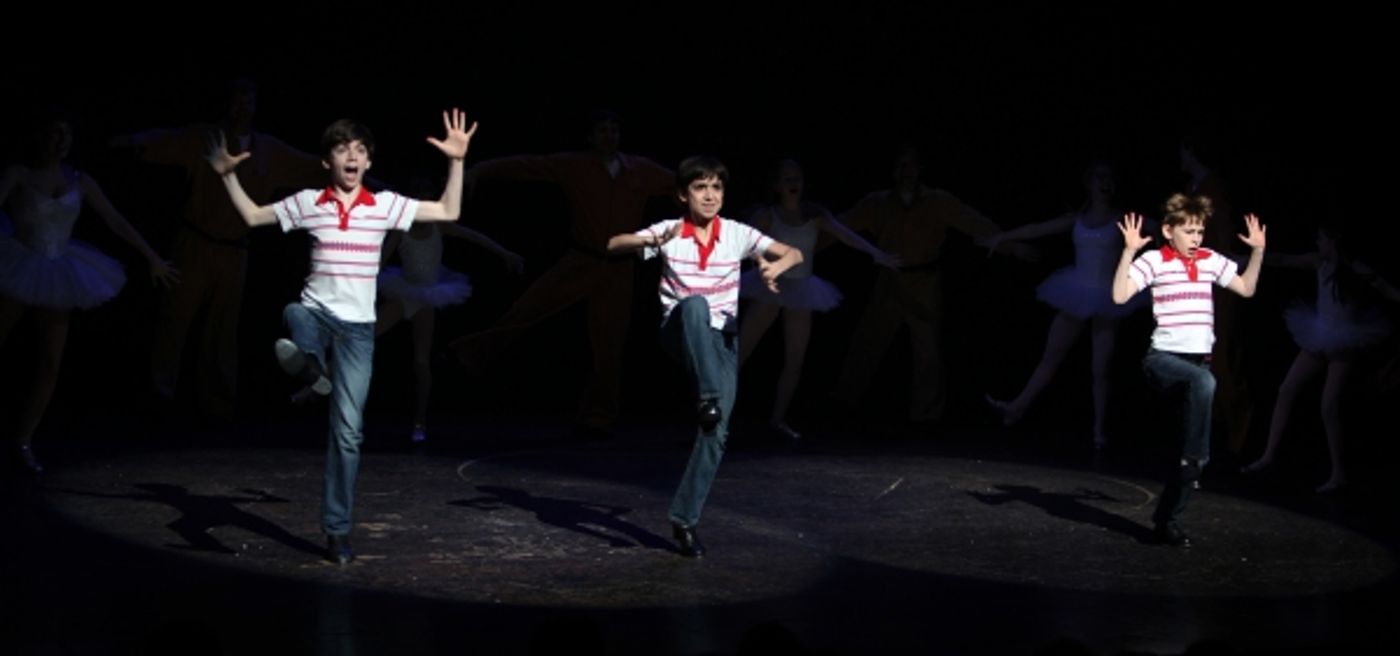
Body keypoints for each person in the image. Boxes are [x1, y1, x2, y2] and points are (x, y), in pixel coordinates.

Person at [203, 108, 477, 564]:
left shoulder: (386, 205)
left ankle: (337, 529)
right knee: (296, 312)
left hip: (357, 331)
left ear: (369, 162)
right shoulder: (311, 202)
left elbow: (449, 210)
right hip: (316, 313)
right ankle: (310, 364)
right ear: (327, 161)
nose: (352, 156)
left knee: (348, 434)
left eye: (360, 150)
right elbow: (252, 216)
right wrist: (228, 176)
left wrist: (457, 160)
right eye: (342, 149)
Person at [606, 155, 802, 557]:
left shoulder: (737, 233)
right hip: (680, 331)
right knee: (694, 304)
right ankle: (708, 399)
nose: (710, 195)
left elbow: (794, 253)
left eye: (717, 187)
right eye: (701, 187)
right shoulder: (670, 230)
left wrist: (774, 268)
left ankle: (684, 519)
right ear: (683, 194)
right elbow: (613, 244)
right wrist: (649, 241)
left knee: (716, 436)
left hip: (721, 344)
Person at [449, 110, 674, 437]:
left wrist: (712, 188)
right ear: (591, 137)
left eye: (614, 130)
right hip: (581, 260)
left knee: (609, 343)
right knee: (530, 306)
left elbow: (683, 182)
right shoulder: (575, 164)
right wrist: (482, 169)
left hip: (618, 269)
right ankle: (471, 353)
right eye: (602, 130)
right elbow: (528, 165)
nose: (609, 136)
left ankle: (598, 416)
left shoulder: (640, 169)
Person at [112, 78, 326, 420]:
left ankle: (218, 407)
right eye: (237, 101)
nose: (243, 108)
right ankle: (158, 398)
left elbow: (314, 167)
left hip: (234, 251)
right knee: (174, 322)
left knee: (222, 331)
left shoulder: (268, 150)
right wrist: (125, 141)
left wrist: (365, 179)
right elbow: (164, 139)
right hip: (195, 245)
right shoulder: (206, 137)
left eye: (249, 102)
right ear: (228, 105)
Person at [0, 111, 178, 474]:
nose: (61, 141)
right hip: (18, 260)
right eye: (53, 132)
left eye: (66, 133)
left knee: (50, 363)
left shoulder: (79, 179)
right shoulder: (18, 174)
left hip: (58, 268)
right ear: (39, 137)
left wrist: (152, 257)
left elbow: (115, 220)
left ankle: (23, 440)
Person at [1112, 194, 1266, 547]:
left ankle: (1168, 521)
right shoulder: (1155, 260)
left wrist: (1257, 252)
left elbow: (1246, 288)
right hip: (1164, 360)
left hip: (1198, 365)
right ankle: (1198, 457)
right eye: (1189, 231)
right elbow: (1120, 296)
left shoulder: (1210, 260)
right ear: (1169, 231)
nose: (1197, 238)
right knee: (1204, 384)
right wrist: (1128, 251)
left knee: (1183, 454)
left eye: (1200, 231)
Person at [984, 162, 1146, 449]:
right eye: (1099, 177)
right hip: (1077, 290)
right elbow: (1038, 228)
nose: (1105, 182)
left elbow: (1160, 230)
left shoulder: (1122, 218)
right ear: (1090, 183)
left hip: (1108, 294)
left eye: (1109, 177)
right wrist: (1004, 235)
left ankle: (1099, 430)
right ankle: (1016, 408)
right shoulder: (1078, 218)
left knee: (1101, 368)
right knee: (1051, 357)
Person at [737, 159, 897, 440]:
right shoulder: (767, 215)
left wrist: (877, 253)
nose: (793, 183)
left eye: (797, 178)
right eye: (787, 179)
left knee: (796, 358)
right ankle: (713, 414)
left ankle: (777, 420)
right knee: (741, 353)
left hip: (802, 287)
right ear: (776, 185)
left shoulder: (815, 215)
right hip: (771, 286)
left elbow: (847, 236)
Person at [1242, 223, 1396, 492]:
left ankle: (1339, 474)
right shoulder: (1318, 262)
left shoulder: (1357, 269)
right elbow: (1282, 260)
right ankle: (1268, 456)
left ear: (1334, 242)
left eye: (1321, 240)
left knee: (1328, 405)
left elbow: (1389, 291)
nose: (1317, 244)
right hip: (1319, 333)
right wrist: (1250, 256)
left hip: (1345, 339)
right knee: (1286, 389)